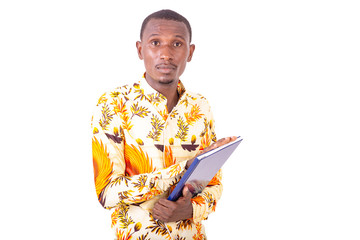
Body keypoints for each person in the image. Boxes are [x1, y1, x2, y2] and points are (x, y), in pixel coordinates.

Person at [91, 9, 235, 239]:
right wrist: (183, 170)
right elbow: (107, 193)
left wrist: (191, 209)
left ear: (190, 52)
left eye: (177, 44)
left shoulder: (201, 107)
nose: (165, 54)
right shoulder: (114, 104)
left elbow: (214, 185)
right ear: (140, 49)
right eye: (155, 42)